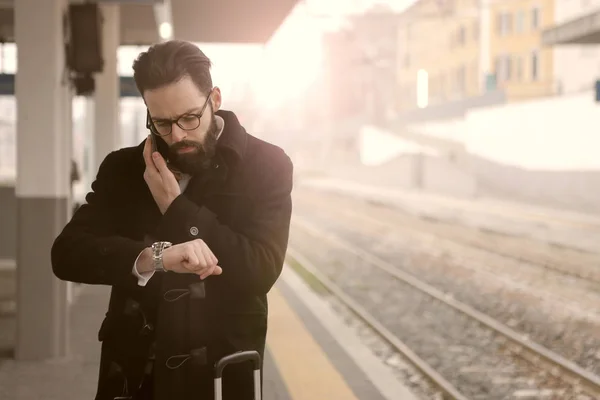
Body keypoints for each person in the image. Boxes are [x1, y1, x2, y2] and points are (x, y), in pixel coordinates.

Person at [51, 40, 294, 400]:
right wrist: (151, 259)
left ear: (214, 100)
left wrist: (176, 207)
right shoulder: (124, 168)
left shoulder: (266, 165)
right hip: (133, 374)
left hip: (221, 373)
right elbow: (66, 254)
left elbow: (261, 270)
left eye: (189, 118)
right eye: (161, 122)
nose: (177, 135)